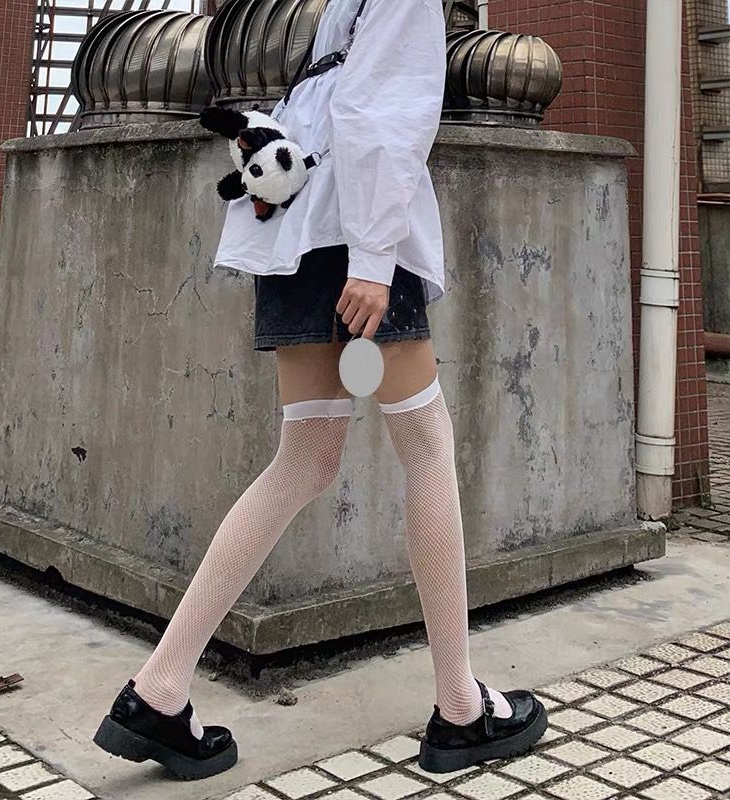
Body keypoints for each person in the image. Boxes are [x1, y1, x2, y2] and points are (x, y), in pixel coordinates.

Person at [93, 0, 547, 781]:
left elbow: (334, 100)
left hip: (297, 232)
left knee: (304, 459)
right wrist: (373, 259)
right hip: (354, 237)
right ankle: (461, 709)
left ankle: (159, 689)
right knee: (426, 446)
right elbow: (381, 110)